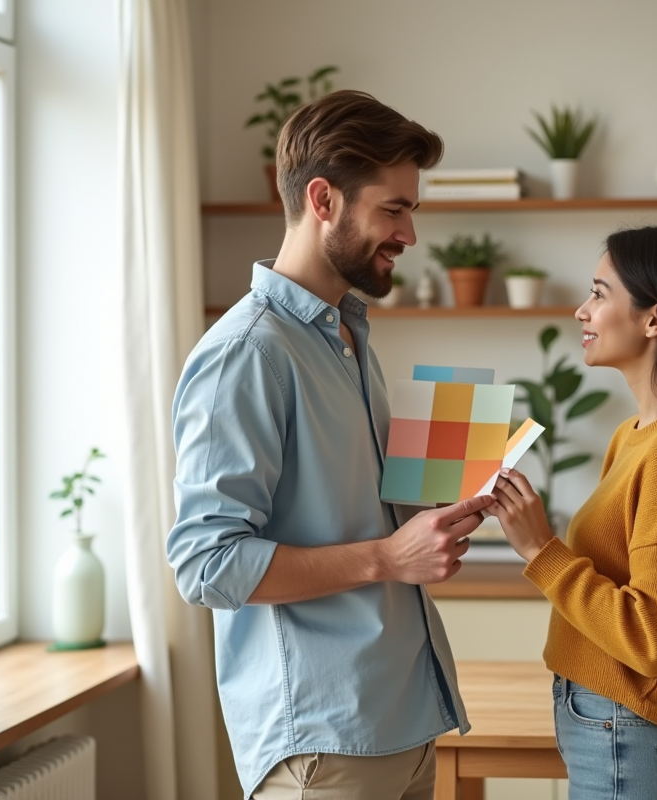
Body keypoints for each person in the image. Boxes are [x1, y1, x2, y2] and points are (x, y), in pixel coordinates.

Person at [167, 90, 492, 800]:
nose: (409, 235)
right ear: (323, 199)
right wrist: (387, 555)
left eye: (413, 211)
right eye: (394, 209)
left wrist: (436, 512)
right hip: (323, 747)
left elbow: (351, 513)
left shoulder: (347, 335)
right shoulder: (248, 354)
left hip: (402, 721)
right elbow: (204, 563)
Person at [488, 222, 657, 800]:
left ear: (653, 319)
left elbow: (650, 635)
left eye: (599, 293)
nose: (580, 310)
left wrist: (543, 552)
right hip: (617, 731)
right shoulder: (635, 436)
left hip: (632, 737)